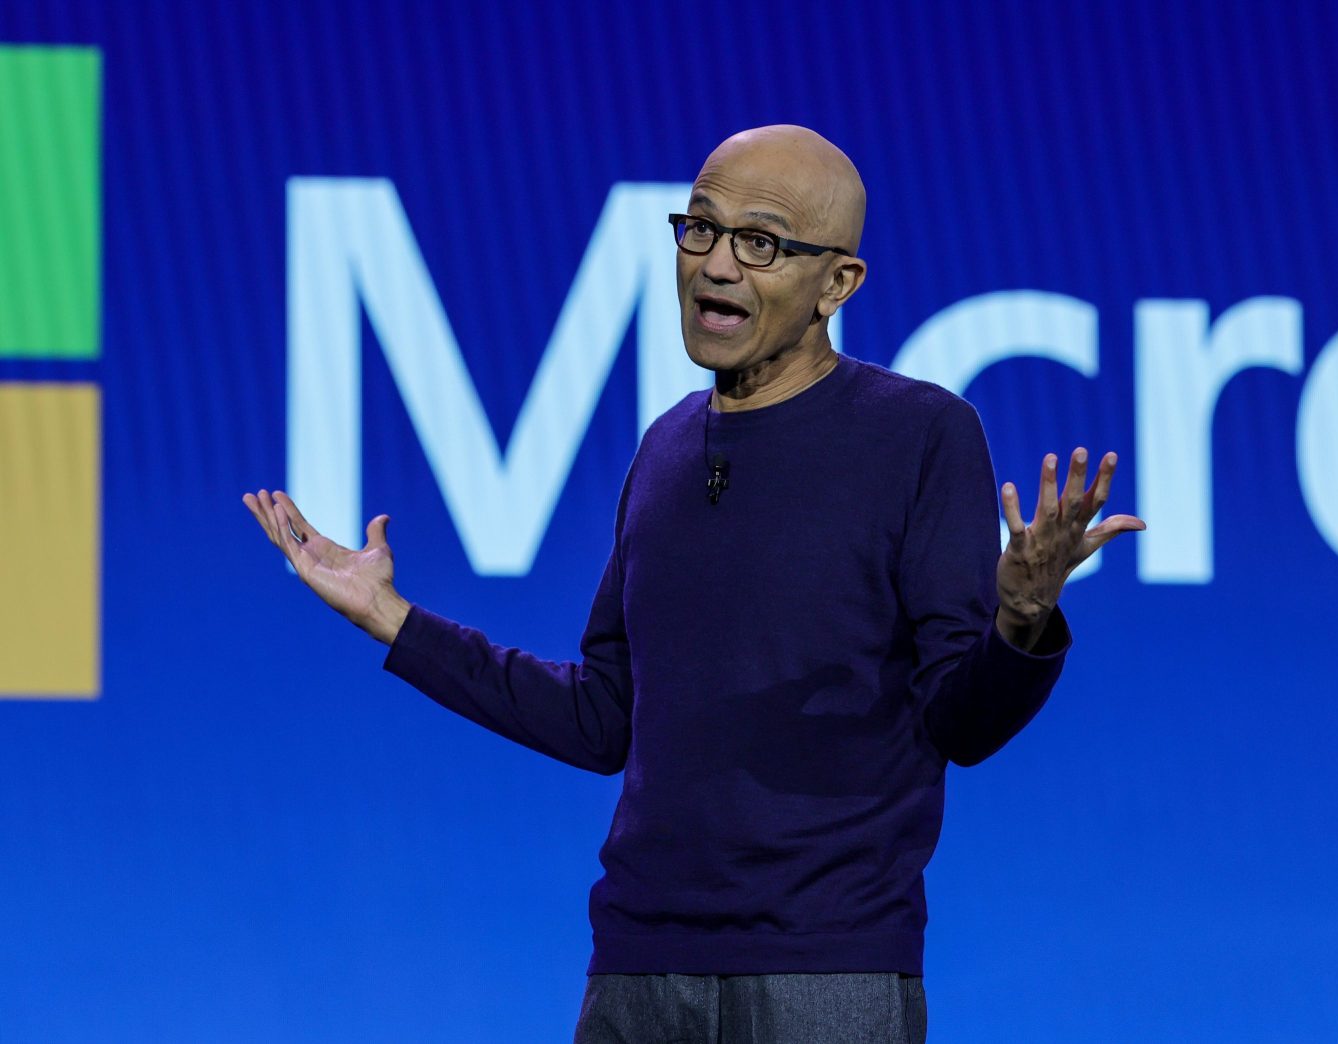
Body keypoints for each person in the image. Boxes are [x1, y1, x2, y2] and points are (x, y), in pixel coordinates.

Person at [243, 125, 1145, 1043]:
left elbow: (961, 723)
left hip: (825, 973)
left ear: (837, 283)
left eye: (760, 243)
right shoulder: (665, 449)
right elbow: (604, 718)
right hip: (638, 972)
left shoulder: (920, 435)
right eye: (699, 230)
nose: (716, 266)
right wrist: (396, 623)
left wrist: (1023, 620)